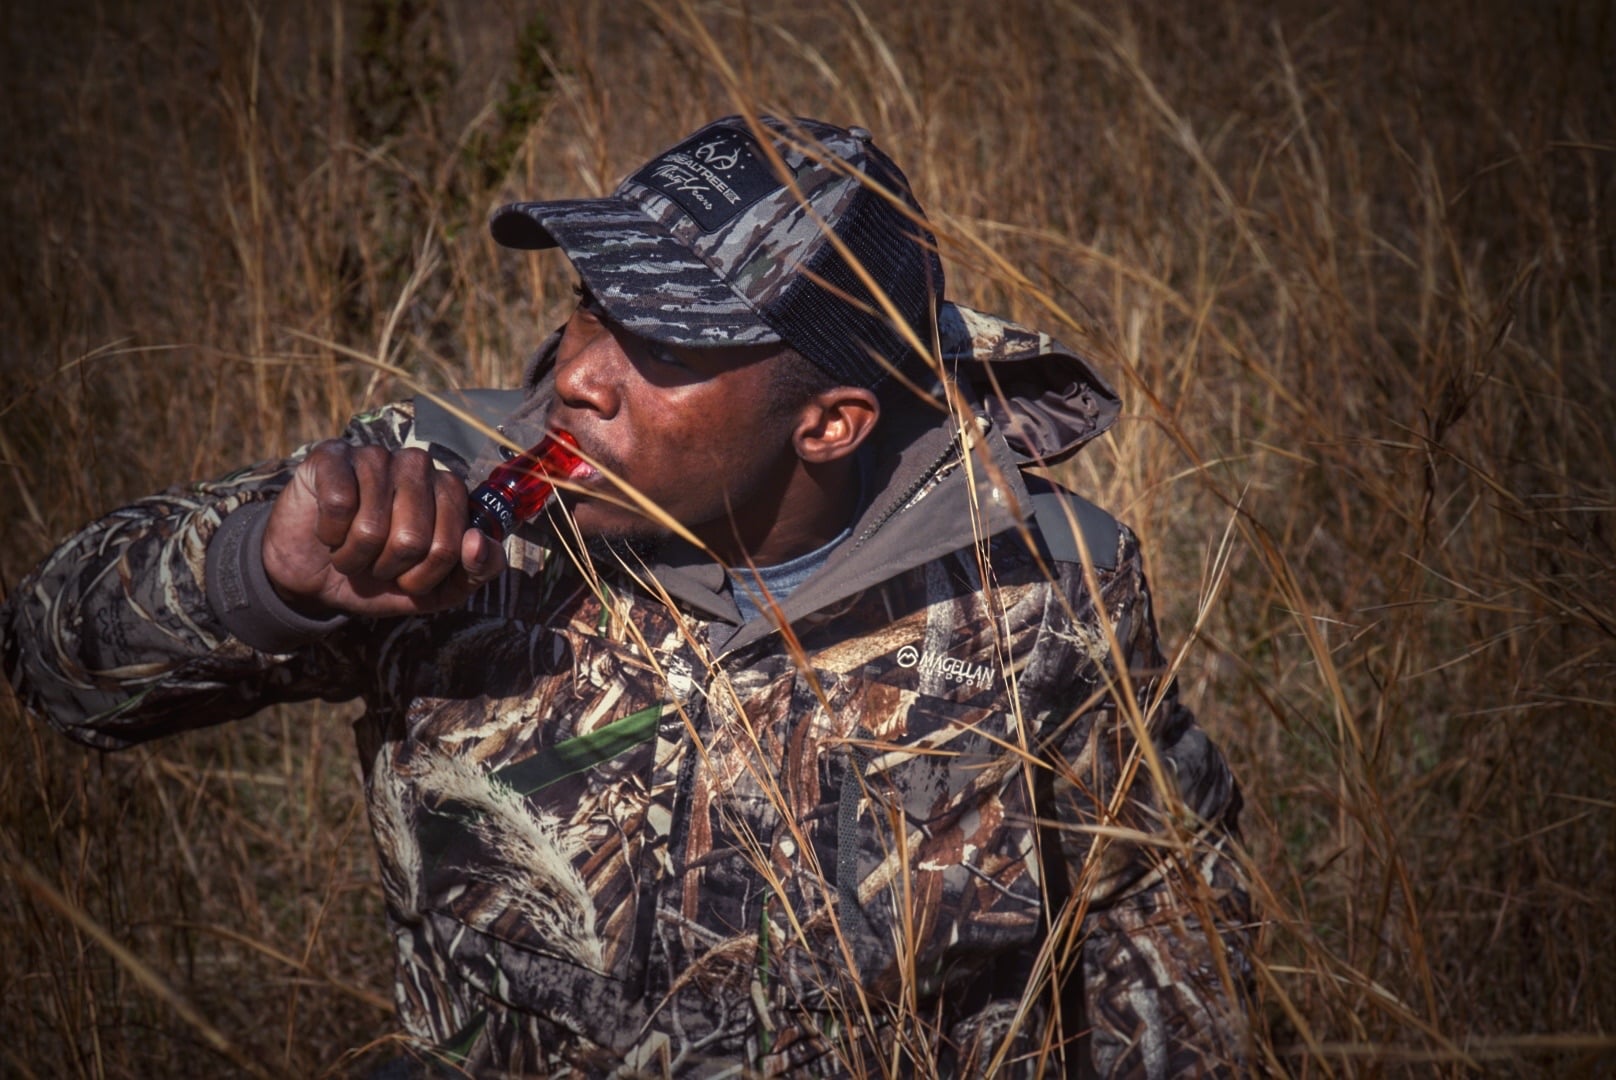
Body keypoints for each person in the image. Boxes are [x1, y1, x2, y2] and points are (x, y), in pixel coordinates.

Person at [2, 115, 1252, 1077]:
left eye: (662, 343)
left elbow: (1151, 902)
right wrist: (261, 575)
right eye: (589, 301)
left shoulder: (1042, 580)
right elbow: (54, 665)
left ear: (829, 421)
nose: (579, 376)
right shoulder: (429, 502)